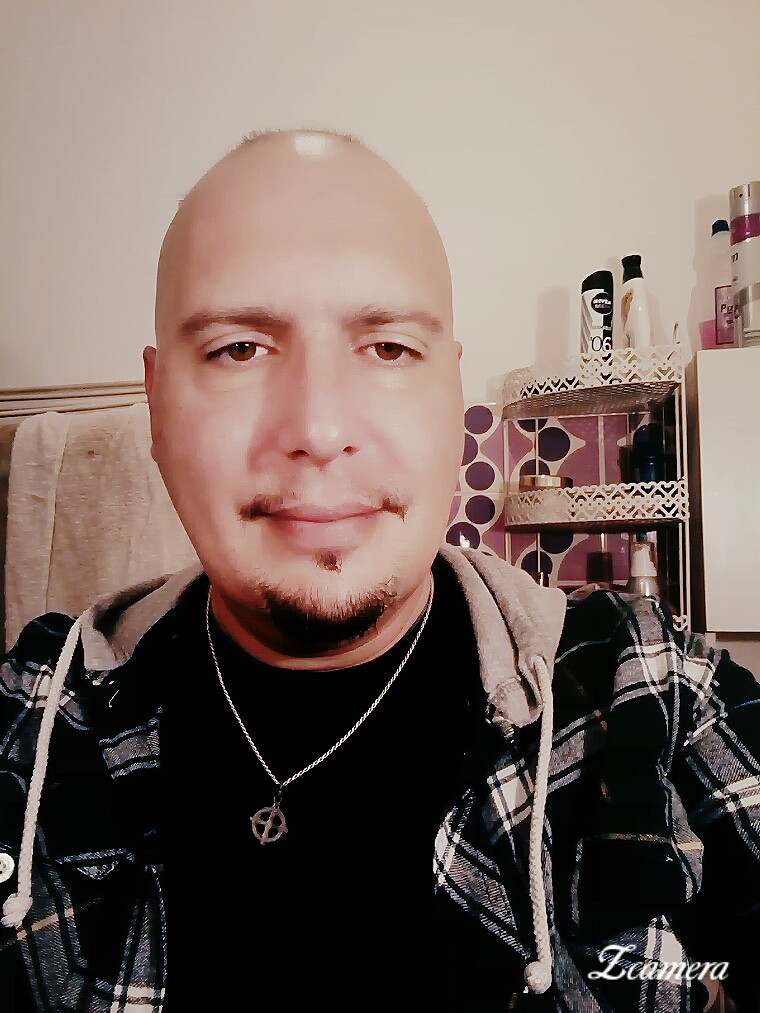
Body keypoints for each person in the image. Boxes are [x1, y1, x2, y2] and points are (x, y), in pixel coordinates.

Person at [1, 129, 759, 1012]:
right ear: (158, 401)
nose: (320, 430)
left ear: (452, 394)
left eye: (390, 347)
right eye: (239, 348)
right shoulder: (38, 716)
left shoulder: (648, 688)